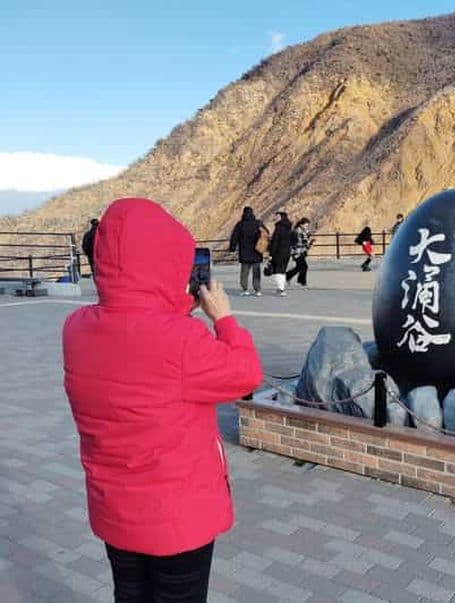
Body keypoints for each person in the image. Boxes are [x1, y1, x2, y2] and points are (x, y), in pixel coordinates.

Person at [62, 198, 263, 603]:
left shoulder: (76, 328)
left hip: (114, 509)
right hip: (177, 519)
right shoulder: (182, 340)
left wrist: (175, 306)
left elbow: (138, 337)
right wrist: (223, 319)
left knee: (129, 595)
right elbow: (246, 374)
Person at [229, 206, 266, 296]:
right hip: (256, 251)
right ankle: (257, 289)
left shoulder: (240, 224)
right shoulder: (258, 223)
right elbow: (266, 233)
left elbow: (234, 237)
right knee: (256, 271)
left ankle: (245, 289)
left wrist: (232, 248)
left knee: (244, 272)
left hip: (244, 251)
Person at [268, 211, 292, 296]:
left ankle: (281, 289)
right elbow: (294, 239)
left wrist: (271, 254)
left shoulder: (278, 228)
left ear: (281, 218)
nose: (276, 218)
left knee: (278, 270)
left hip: (278, 252)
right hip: (287, 252)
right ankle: (282, 287)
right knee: (283, 270)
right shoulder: (289, 228)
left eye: (277, 217)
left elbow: (275, 242)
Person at [286, 217, 313, 287]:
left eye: (307, 225)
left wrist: (309, 241)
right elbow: (298, 241)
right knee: (304, 266)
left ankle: (288, 276)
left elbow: (305, 240)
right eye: (306, 225)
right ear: (301, 224)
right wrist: (308, 242)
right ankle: (302, 281)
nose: (307, 227)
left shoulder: (303, 231)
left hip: (301, 251)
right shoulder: (297, 231)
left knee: (299, 267)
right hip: (297, 252)